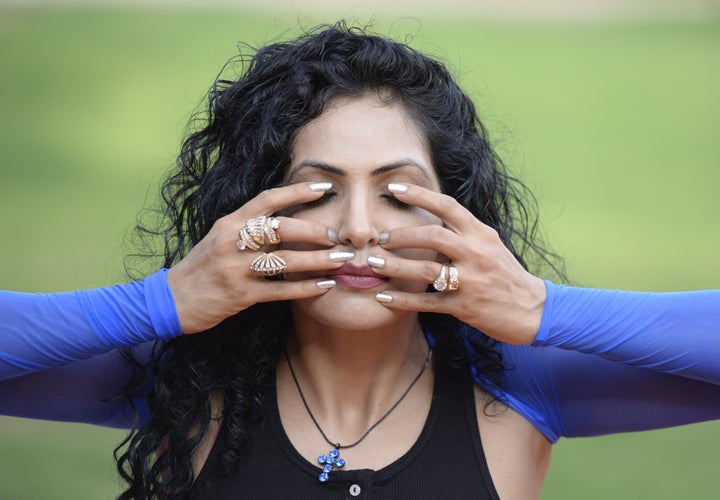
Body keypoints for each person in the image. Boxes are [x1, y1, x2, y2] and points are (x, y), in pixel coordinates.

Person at [1, 22, 718, 499]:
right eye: (318, 191)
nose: (358, 227)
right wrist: (162, 302)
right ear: (257, 209)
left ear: (458, 215)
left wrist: (541, 308)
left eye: (400, 193)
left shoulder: (521, 386)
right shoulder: (180, 379)